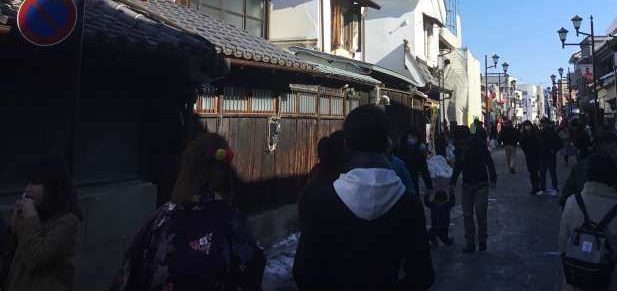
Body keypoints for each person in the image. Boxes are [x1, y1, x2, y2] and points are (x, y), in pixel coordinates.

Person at [293, 105, 434, 290]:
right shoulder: (408, 204)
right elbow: (422, 275)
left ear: (347, 145)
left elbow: (303, 272)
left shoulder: (323, 199)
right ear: (387, 143)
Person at [111, 133, 265, 290]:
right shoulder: (233, 224)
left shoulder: (160, 219)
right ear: (224, 174)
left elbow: (128, 273)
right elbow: (251, 273)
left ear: (186, 170)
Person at [559, 154, 617, 291]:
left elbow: (563, 243)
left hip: (578, 280)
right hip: (613, 281)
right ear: (613, 179)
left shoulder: (572, 203)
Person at [4, 160, 82, 291]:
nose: (27, 188)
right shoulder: (37, 215)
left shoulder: (69, 221)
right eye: (28, 182)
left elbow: (36, 259)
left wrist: (30, 218)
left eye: (34, 183)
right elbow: (14, 256)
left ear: (51, 186)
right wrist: (14, 228)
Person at [560, 131, 617, 214]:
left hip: (584, 220)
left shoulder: (580, 167)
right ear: (607, 147)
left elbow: (565, 197)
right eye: (616, 145)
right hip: (612, 222)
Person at [449, 127, 497, 253]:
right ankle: (470, 242)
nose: (459, 143)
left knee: (481, 213)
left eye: (460, 140)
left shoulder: (479, 145)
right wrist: (452, 183)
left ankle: (482, 240)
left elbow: (489, 162)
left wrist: (493, 179)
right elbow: (458, 167)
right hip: (467, 185)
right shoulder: (460, 149)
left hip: (481, 184)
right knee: (467, 214)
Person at [395, 126, 434, 197]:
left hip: (412, 184)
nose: (413, 139)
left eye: (414, 137)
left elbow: (424, 170)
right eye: (411, 137)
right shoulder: (398, 150)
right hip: (400, 185)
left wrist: (429, 186)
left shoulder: (418, 152)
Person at [539, 119, 563, 194]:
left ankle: (551, 187)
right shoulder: (542, 132)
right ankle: (547, 187)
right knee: (546, 172)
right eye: (542, 124)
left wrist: (554, 150)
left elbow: (560, 143)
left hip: (549, 155)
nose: (543, 125)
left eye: (544, 124)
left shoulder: (551, 132)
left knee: (549, 172)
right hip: (545, 155)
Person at [519, 120, 541, 195]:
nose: (527, 127)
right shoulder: (524, 135)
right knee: (532, 172)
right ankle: (535, 187)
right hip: (530, 156)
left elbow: (539, 142)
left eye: (528, 126)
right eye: (526, 126)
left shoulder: (535, 133)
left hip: (536, 155)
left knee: (534, 172)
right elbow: (522, 144)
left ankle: (536, 187)